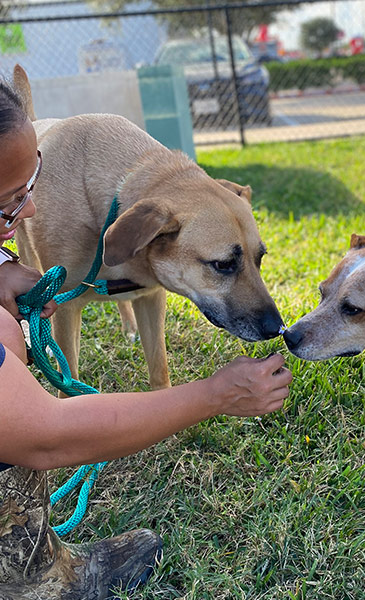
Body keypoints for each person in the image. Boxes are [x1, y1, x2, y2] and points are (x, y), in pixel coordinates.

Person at [0, 76, 293, 600]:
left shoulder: (157, 192)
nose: (32, 213)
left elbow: (151, 278)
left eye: (34, 184)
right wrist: (213, 395)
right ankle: (30, 579)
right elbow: (43, 434)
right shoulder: (86, 215)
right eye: (10, 203)